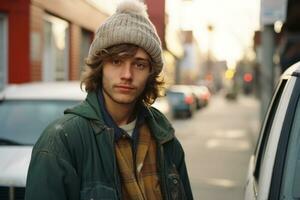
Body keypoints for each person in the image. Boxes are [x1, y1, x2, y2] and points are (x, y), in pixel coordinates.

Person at [25, 0, 193, 199]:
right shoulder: (61, 142)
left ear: (150, 73)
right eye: (116, 61)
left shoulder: (165, 139)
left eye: (139, 65)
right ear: (100, 67)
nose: (127, 74)